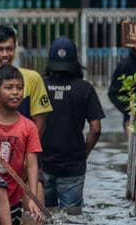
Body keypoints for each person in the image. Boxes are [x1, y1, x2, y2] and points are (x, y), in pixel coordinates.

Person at [0, 65, 45, 225]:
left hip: (13, 199)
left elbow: (32, 165)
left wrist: (33, 199)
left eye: (19, 88)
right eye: (9, 87)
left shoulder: (29, 127)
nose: (15, 92)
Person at [39, 36, 104, 210]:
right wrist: (83, 154)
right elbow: (96, 129)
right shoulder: (85, 88)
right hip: (73, 165)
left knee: (44, 215)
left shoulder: (39, 86)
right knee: (72, 219)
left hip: (42, 164)